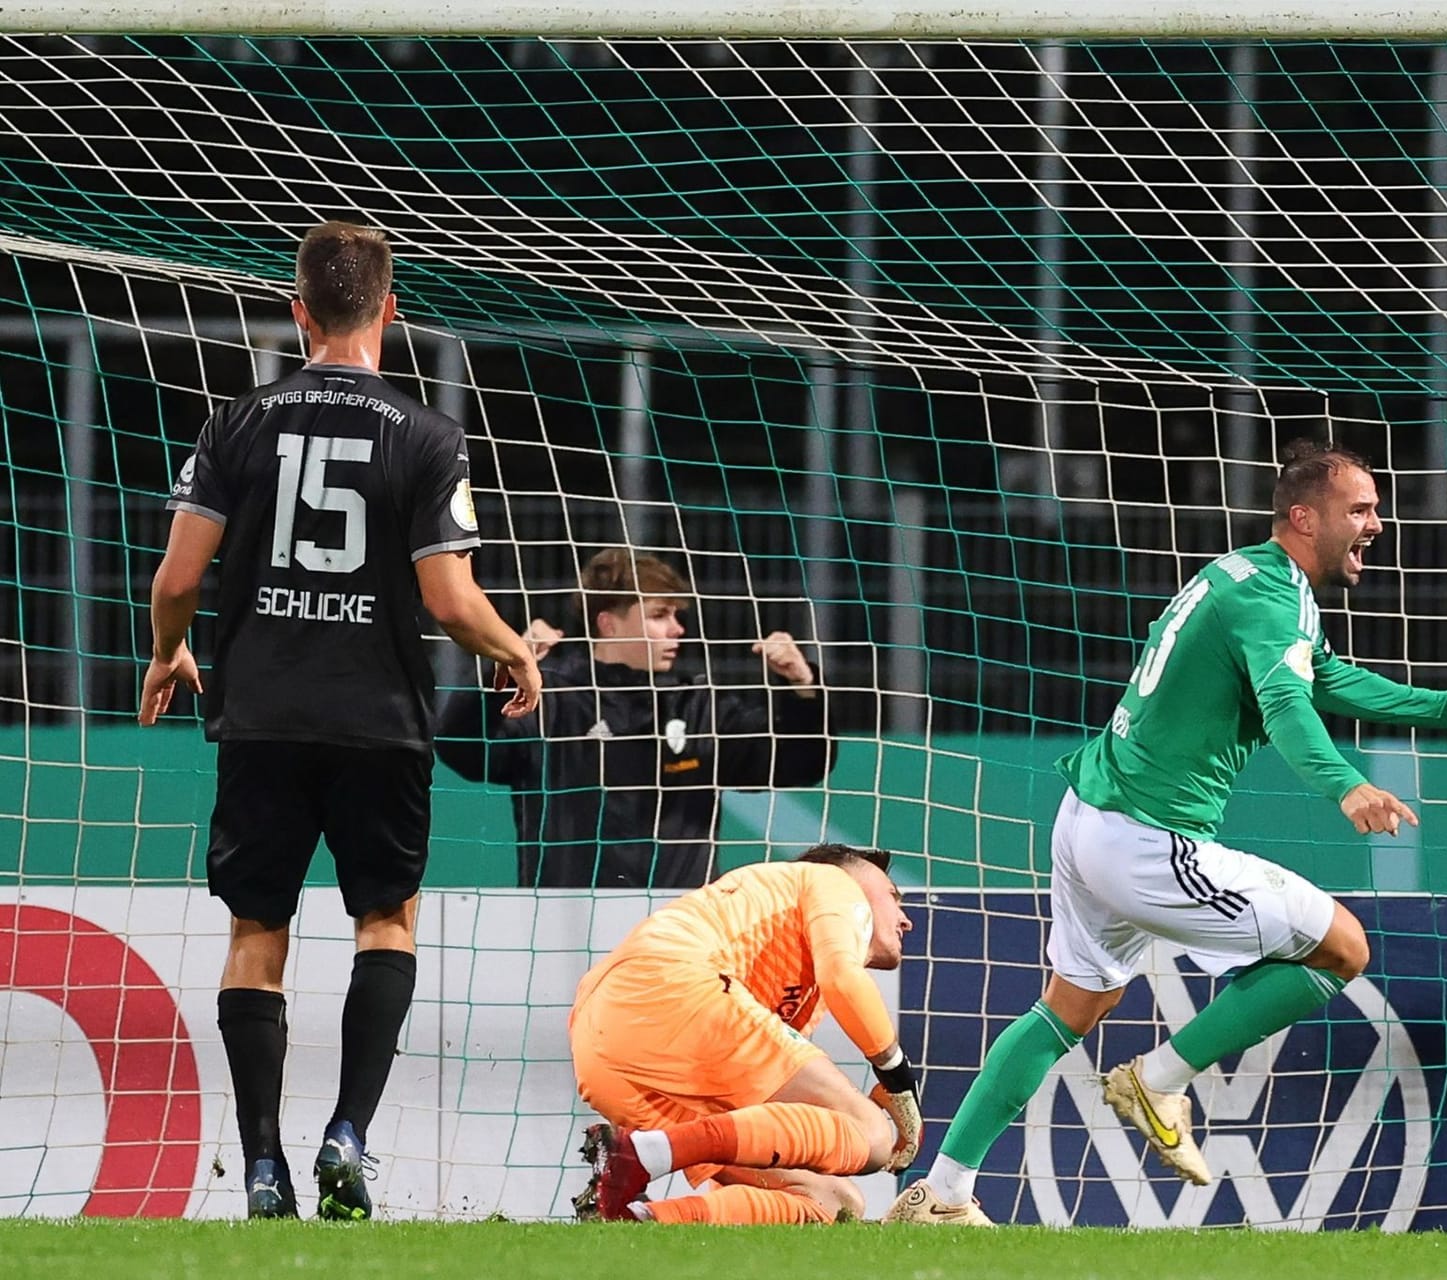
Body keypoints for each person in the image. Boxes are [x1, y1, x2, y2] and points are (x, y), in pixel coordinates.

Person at [884, 438, 1447, 1225]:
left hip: (1088, 816)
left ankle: (944, 1192)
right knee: (1342, 948)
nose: (1377, 523)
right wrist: (1347, 785)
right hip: (1147, 840)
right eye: (1360, 510)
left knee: (1066, 1010)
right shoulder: (1272, 601)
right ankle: (1159, 1078)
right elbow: (1288, 706)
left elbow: (1325, 678)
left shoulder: (1247, 575)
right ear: (1305, 517)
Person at [138, 221, 541, 1221]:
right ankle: (348, 1134)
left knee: (255, 930)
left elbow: (179, 577)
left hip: (263, 713)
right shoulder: (428, 435)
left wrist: (167, 648)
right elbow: (449, 600)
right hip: (381, 721)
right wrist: (514, 646)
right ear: (391, 312)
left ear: (298, 310)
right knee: (387, 921)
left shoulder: (234, 423)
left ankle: (264, 1163)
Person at [434, 548, 835, 888]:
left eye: (676, 616)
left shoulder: (696, 705)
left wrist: (803, 687)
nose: (677, 629)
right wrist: (504, 667)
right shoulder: (550, 699)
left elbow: (798, 763)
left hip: (678, 929)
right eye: (660, 615)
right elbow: (460, 747)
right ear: (609, 623)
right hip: (565, 927)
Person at [570, 843, 921, 1225]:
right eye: (892, 895)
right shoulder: (834, 880)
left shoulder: (776, 948)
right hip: (673, 986)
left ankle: (637, 1218)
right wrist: (899, 1080)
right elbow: (842, 978)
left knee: (832, 1201)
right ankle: (641, 1154)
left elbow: (755, 1130)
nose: (906, 920)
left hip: (598, 1048)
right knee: (872, 1135)